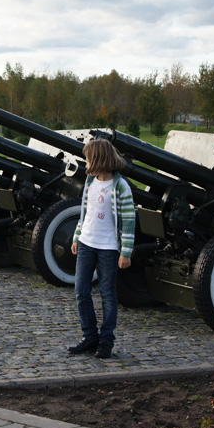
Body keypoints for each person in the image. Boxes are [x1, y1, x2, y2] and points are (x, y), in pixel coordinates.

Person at [69, 138, 136, 358]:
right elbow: (85, 212)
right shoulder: (90, 182)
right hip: (87, 243)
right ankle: (90, 336)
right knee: (81, 290)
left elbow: (128, 220)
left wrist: (125, 251)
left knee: (108, 294)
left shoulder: (120, 186)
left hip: (108, 248)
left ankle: (106, 341)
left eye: (88, 159)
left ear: (97, 159)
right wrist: (77, 236)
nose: (85, 163)